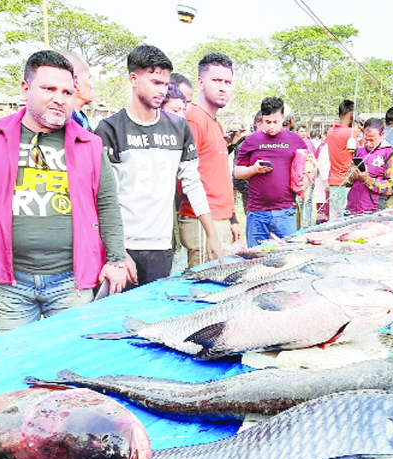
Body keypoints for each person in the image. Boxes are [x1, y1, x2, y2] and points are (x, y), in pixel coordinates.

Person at [0, 50, 128, 335]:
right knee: (10, 363)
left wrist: (115, 260)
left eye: (66, 91)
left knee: (70, 363)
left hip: (71, 282)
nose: (59, 99)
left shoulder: (89, 143)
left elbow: (108, 205)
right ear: (26, 89)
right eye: (49, 89)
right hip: (11, 283)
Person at [95, 45, 224, 285]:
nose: (161, 91)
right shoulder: (110, 128)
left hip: (161, 245)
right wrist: (119, 253)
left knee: (153, 315)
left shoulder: (178, 127)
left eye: (165, 84)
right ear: (133, 79)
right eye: (155, 82)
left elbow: (193, 183)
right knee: (117, 317)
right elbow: (105, 197)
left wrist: (212, 234)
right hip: (122, 246)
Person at [178, 52, 240, 268]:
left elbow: (218, 175)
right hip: (202, 222)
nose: (223, 87)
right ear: (201, 83)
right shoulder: (194, 120)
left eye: (228, 82)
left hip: (220, 219)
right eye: (216, 80)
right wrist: (211, 229)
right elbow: (183, 178)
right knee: (201, 292)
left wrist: (232, 218)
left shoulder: (215, 122)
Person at [234, 96, 306, 245]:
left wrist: (307, 179)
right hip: (257, 213)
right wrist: (254, 169)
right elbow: (237, 172)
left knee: (288, 258)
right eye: (267, 122)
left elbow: (311, 164)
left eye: (275, 122)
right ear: (261, 120)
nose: (271, 126)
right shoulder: (251, 141)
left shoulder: (295, 140)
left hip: (285, 212)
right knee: (256, 259)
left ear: (283, 118)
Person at [346, 118, 393, 215]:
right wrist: (352, 176)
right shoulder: (359, 151)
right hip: (352, 207)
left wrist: (367, 179)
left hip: (372, 209)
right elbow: (348, 180)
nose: (369, 143)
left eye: (372, 140)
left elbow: (391, 186)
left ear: (382, 135)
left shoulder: (390, 154)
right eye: (366, 139)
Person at [326, 99, 355, 220]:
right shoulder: (350, 133)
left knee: (334, 220)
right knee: (346, 221)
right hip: (347, 183)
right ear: (352, 114)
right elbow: (358, 156)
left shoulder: (330, 132)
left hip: (334, 182)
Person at [57, 50, 94, 131]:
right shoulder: (58, 125)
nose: (92, 86)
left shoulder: (82, 122)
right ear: (76, 82)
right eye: (89, 78)